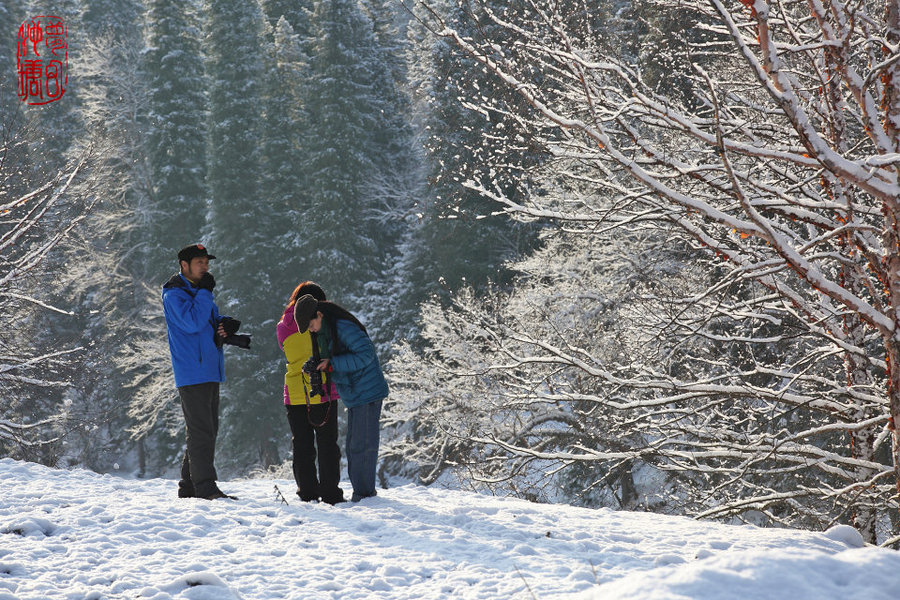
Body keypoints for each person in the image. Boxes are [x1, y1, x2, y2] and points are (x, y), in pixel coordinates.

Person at [294, 294, 388, 502]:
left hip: (367, 391)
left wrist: (332, 364)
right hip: (355, 393)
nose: (311, 330)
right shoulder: (325, 331)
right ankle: (362, 494)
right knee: (354, 446)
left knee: (362, 446)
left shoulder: (342, 327)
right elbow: (333, 356)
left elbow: (366, 355)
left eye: (311, 325)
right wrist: (316, 363)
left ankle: (364, 495)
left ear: (319, 314)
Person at [162, 243, 236, 501]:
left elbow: (204, 323)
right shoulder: (175, 294)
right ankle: (205, 488)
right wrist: (205, 294)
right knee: (202, 430)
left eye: (207, 262)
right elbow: (192, 323)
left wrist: (223, 324)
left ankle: (189, 486)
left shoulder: (196, 291)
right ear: (184, 265)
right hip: (193, 371)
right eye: (199, 262)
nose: (205, 267)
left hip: (208, 368)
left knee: (205, 429)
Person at [276, 281, 344, 505]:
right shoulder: (322, 322)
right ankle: (331, 493)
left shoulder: (283, 325)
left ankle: (307, 492)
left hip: (295, 392)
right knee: (327, 444)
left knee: (302, 444)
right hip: (323, 389)